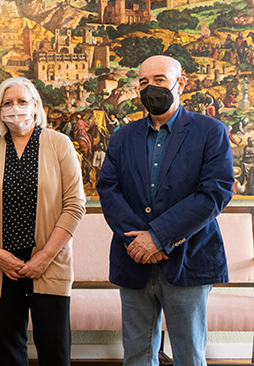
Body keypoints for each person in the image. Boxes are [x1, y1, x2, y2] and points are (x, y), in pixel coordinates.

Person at [96, 55, 235, 366]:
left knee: (189, 357)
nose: (151, 88)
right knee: (136, 356)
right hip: (133, 260)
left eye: (159, 80)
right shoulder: (122, 138)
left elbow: (214, 192)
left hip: (189, 259)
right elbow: (109, 190)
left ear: (180, 83)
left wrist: (158, 238)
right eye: (143, 82)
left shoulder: (210, 131)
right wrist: (138, 241)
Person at [0, 77, 86, 365]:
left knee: (55, 351)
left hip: (49, 261)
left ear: (35, 105)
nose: (15, 108)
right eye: (7, 103)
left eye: (21, 101)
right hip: (2, 265)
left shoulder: (60, 144)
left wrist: (44, 257)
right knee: (9, 352)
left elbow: (74, 205)